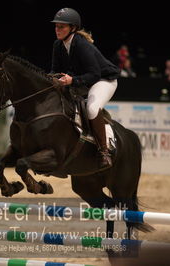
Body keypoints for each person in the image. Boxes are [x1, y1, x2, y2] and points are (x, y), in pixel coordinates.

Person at [50, 7, 120, 168]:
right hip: (83, 81)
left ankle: (104, 152)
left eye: (61, 27)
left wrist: (71, 81)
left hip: (104, 80)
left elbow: (94, 74)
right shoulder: (58, 45)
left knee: (92, 108)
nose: (57, 30)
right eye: (56, 26)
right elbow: (54, 70)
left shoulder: (81, 45)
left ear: (72, 28)